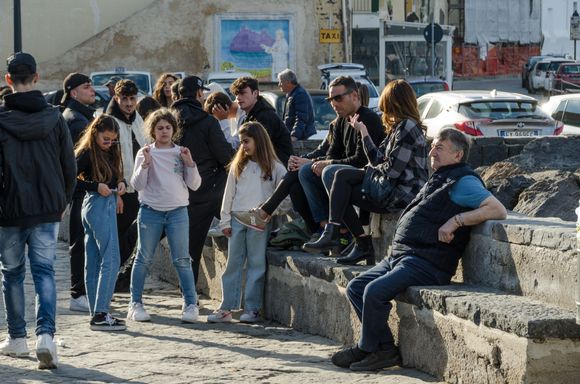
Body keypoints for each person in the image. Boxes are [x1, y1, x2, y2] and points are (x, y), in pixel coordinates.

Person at [331, 128, 507, 371]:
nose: (432, 151)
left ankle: (369, 349)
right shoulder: (441, 176)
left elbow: (497, 209)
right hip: (404, 256)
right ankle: (382, 349)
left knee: (373, 291)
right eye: (433, 145)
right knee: (356, 287)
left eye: (439, 147)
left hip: (427, 262)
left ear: (457, 155)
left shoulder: (463, 180)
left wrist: (456, 221)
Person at [0, 52, 76, 369]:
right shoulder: (55, 118)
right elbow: (68, 167)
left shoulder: (2, 120)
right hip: (47, 209)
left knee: (13, 275)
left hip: (10, 210)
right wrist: (63, 202)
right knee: (44, 272)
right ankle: (46, 336)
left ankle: (17, 338)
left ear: (8, 80)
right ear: (36, 76)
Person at [304, 80, 429, 266]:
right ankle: (355, 241)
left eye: (386, 106)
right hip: (389, 186)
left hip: (403, 193)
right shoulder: (397, 128)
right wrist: (363, 133)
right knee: (338, 180)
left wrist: (366, 172)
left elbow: (392, 172)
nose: (383, 112)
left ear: (394, 103)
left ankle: (346, 237)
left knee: (339, 177)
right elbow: (378, 160)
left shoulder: (408, 128)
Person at [253, 76, 384, 245]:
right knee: (296, 179)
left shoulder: (368, 118)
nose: (334, 104)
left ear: (354, 96)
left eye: (338, 98)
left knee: (307, 171)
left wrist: (314, 163)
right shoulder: (341, 121)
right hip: (341, 177)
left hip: (363, 180)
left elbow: (360, 161)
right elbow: (331, 153)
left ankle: (267, 212)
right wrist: (304, 160)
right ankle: (321, 230)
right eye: (330, 99)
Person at [207, 122, 287, 323]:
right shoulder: (238, 166)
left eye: (246, 141)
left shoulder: (275, 168)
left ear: (259, 140)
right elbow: (229, 195)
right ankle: (227, 307)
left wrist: (270, 212)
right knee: (233, 263)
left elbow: (286, 199)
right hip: (237, 219)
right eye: (241, 142)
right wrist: (225, 220)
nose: (243, 146)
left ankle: (252, 308)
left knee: (256, 263)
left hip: (259, 222)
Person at [127, 108, 202, 323]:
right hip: (151, 211)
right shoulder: (145, 152)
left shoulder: (181, 152)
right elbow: (137, 184)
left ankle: (190, 303)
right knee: (143, 258)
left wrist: (190, 163)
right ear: (153, 130)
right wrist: (145, 166)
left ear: (174, 130)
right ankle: (136, 302)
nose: (164, 131)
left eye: (168, 127)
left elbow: (195, 184)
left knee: (182, 259)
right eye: (159, 128)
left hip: (178, 211)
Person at [173, 76, 235, 285]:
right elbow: (225, 156)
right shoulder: (208, 121)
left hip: (173, 190)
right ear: (199, 93)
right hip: (205, 190)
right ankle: (188, 295)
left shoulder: (167, 121)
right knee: (193, 247)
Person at [75, 114, 127, 331]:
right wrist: (96, 187)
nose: (109, 143)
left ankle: (96, 312)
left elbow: (114, 176)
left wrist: (121, 185)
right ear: (95, 132)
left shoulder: (109, 151)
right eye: (105, 138)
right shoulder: (86, 153)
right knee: (111, 258)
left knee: (95, 259)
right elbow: (71, 179)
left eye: (112, 139)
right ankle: (101, 312)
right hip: (96, 204)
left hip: (101, 203)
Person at [106, 79, 147, 291]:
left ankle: (120, 277)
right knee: (118, 236)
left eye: (132, 99)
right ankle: (109, 278)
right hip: (120, 190)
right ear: (116, 98)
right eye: (125, 99)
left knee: (135, 235)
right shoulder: (109, 121)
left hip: (139, 189)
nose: (129, 103)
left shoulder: (139, 119)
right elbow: (107, 160)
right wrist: (116, 189)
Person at [61, 72, 96, 313]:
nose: (92, 90)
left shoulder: (80, 116)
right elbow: (76, 164)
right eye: (86, 87)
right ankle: (79, 293)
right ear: (74, 92)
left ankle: (85, 290)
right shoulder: (77, 121)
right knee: (81, 242)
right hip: (81, 190)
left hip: (82, 189)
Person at [230, 76, 293, 166]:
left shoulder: (265, 116)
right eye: (236, 94)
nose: (238, 98)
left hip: (278, 169)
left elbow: (258, 149)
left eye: (243, 93)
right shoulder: (249, 116)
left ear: (255, 93)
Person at [277, 68, 316, 141]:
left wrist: (294, 136)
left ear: (288, 82)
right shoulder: (292, 94)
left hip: (302, 138)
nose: (279, 85)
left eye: (280, 82)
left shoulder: (300, 94)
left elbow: (301, 118)